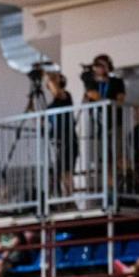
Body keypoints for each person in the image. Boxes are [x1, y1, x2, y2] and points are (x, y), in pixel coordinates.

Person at [45, 71, 78, 199]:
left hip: (68, 139)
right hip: (56, 141)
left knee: (67, 171)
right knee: (59, 172)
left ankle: (69, 197)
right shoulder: (51, 104)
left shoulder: (65, 95)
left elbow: (58, 92)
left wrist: (49, 77)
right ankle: (64, 197)